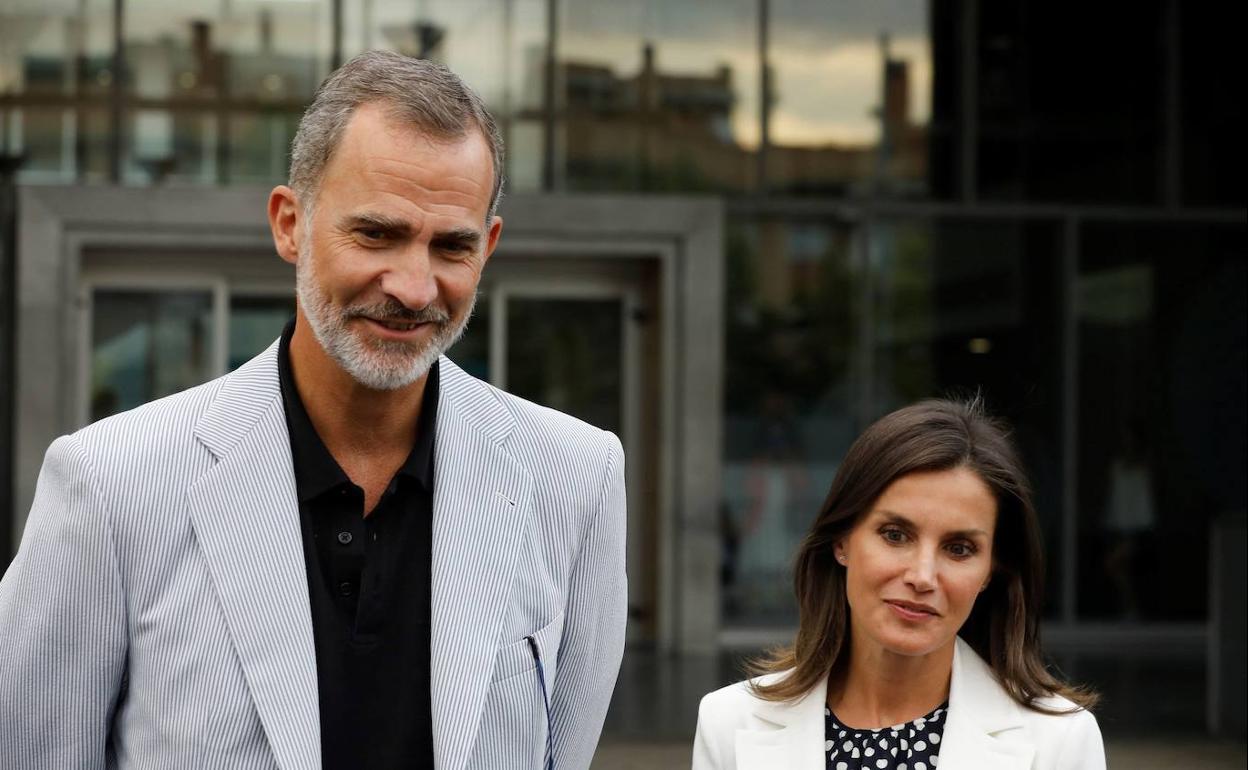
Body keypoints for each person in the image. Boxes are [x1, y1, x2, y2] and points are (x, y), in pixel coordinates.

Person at [0, 51, 626, 770]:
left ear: (487, 248)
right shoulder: (112, 486)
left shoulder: (575, 478)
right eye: (376, 234)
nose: (415, 287)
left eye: (450, 245)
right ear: (289, 224)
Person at [692, 399, 1104, 770]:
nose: (922, 577)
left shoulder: (1060, 743)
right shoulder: (729, 723)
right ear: (842, 540)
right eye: (895, 535)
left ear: (991, 571)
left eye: (959, 548)